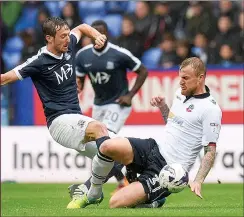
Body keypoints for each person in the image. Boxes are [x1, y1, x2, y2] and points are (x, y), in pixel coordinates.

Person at [0, 17, 123, 207]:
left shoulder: (69, 45)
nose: (68, 39)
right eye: (63, 36)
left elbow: (81, 27)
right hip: (59, 121)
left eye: (68, 35)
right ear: (49, 38)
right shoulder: (38, 62)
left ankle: (85, 191)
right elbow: (4, 79)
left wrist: (97, 35)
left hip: (76, 117)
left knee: (119, 150)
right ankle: (95, 193)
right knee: (99, 129)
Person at [67, 57, 222, 208]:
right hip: (153, 149)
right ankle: (91, 190)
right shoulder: (180, 93)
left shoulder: (211, 109)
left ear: (201, 78)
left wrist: (198, 180)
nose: (181, 81)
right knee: (107, 146)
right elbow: (173, 123)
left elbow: (210, 150)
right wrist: (163, 107)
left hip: (168, 170)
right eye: (180, 77)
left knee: (115, 202)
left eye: (186, 78)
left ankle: (154, 201)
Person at [75, 20, 148, 192]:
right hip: (98, 105)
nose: (98, 36)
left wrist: (130, 95)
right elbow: (81, 79)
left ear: (106, 35)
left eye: (101, 33)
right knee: (96, 146)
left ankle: (127, 177)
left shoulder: (118, 53)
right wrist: (78, 87)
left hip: (117, 104)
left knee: (105, 143)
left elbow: (143, 70)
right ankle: (124, 178)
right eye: (94, 33)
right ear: (90, 35)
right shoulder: (82, 56)